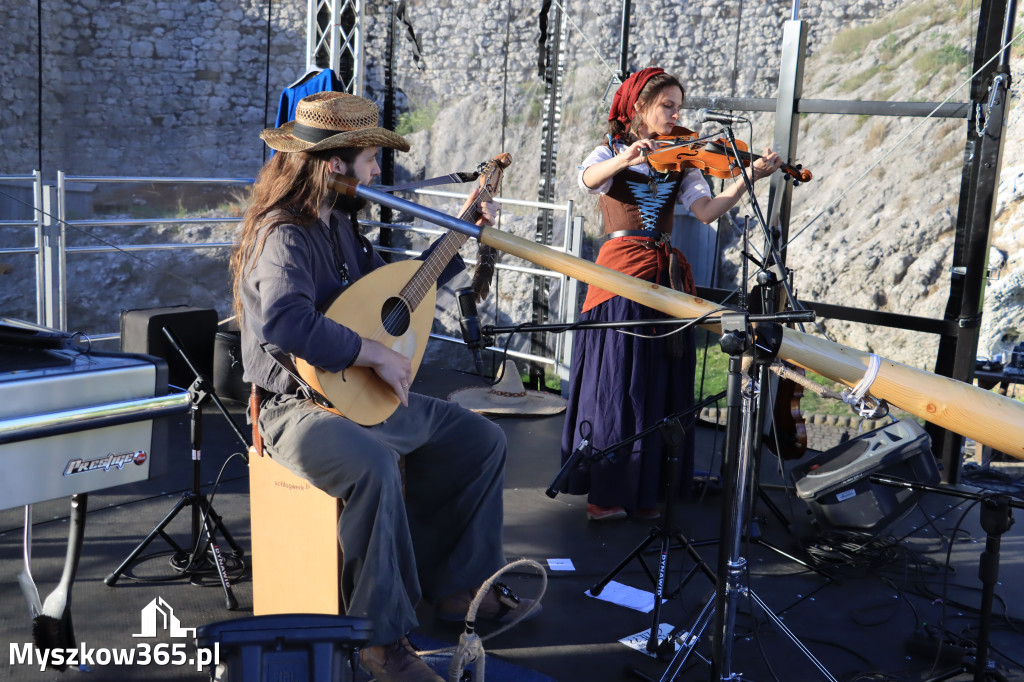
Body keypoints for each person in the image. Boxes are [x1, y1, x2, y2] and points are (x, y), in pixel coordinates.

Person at [231, 91, 536, 682]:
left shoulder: (343, 228)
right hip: (294, 409)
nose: (378, 171)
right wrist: (373, 353)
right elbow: (285, 323)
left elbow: (398, 296)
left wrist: (462, 231)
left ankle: (455, 589)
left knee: (478, 440)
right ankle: (380, 642)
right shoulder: (284, 234)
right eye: (372, 158)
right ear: (336, 163)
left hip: (356, 394)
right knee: (371, 463)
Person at [559, 67, 782, 521]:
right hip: (620, 274)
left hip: (664, 278)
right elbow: (587, 180)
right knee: (620, 381)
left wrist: (748, 178)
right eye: (668, 106)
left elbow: (706, 211)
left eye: (678, 106)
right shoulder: (608, 152)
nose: (676, 114)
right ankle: (605, 494)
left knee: (657, 383)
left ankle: (644, 492)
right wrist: (627, 158)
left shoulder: (681, 159)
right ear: (640, 107)